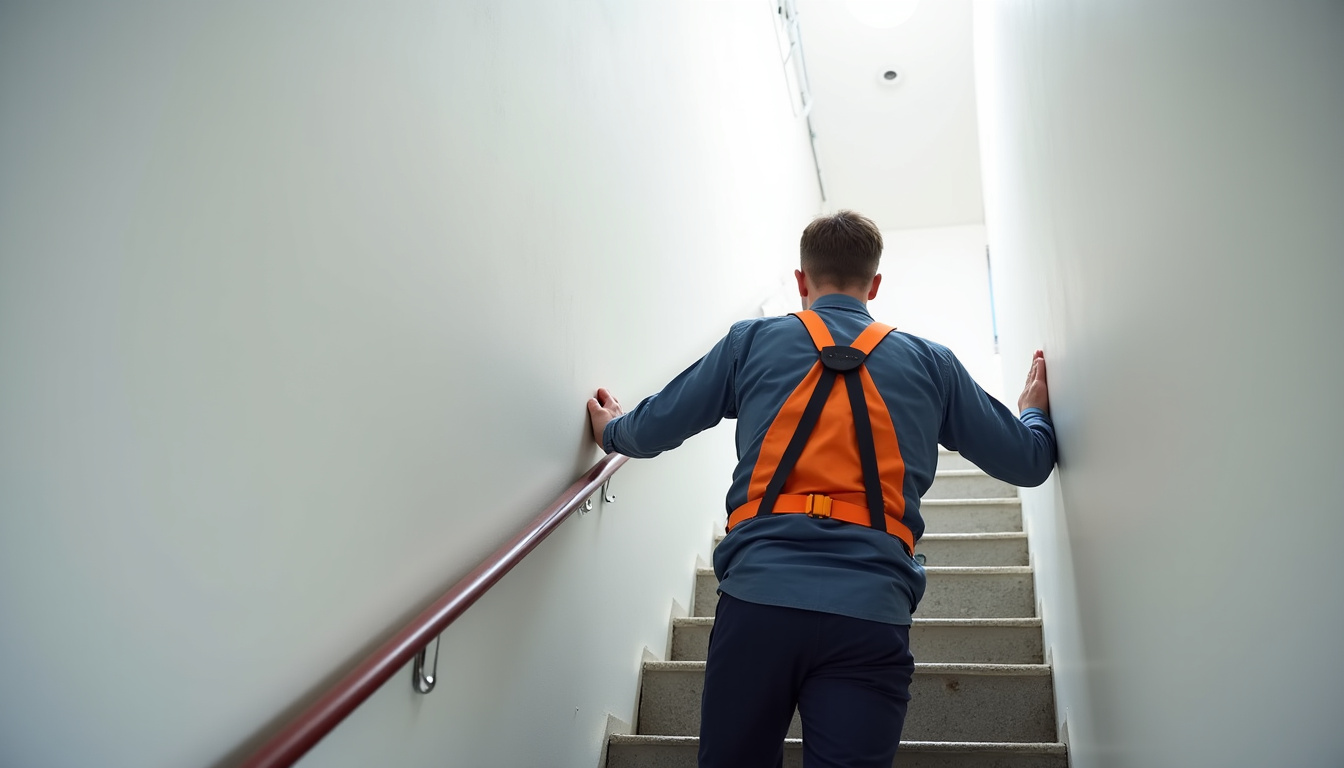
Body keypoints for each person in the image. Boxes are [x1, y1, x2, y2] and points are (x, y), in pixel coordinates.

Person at [586, 210, 1056, 768]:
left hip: (758, 602)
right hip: (871, 612)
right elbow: (1028, 464)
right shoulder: (933, 364)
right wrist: (1032, 415)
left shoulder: (751, 342)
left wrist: (612, 427)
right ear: (874, 285)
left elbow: (655, 427)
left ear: (801, 280)